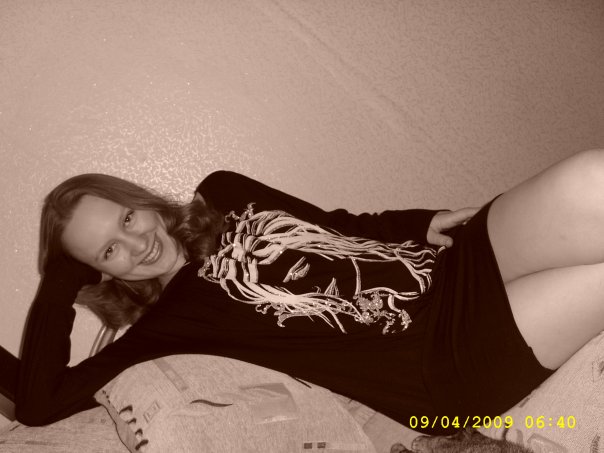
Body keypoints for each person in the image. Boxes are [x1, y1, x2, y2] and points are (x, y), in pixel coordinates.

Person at [2, 149, 604, 436]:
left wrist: (419, 221)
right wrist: (58, 280)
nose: (135, 245)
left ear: (141, 202)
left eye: (127, 219)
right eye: (107, 252)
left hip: (445, 268)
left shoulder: (223, 189)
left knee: (591, 179)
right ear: (99, 274)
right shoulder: (165, 330)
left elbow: (333, 225)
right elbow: (38, 403)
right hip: (441, 366)